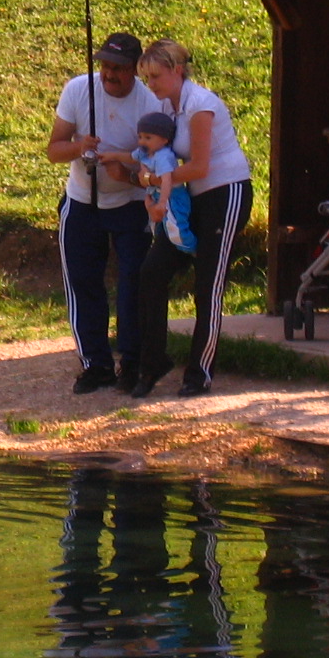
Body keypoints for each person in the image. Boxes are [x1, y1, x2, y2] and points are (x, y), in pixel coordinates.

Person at [120, 38, 253, 399]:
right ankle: (153, 362)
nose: (152, 85)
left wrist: (150, 181)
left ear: (178, 71)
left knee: (207, 284)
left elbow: (198, 166)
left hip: (224, 193)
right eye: (147, 78)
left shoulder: (200, 106)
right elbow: (157, 154)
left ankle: (200, 372)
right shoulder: (167, 105)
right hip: (186, 199)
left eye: (157, 76)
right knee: (151, 273)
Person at [46, 32, 169, 394]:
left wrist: (127, 174)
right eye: (105, 66)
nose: (109, 75)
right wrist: (78, 147)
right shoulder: (77, 90)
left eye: (118, 68)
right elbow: (54, 149)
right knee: (83, 283)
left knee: (133, 284)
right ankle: (95, 364)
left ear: (134, 70)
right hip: (82, 202)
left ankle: (131, 361)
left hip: (131, 205)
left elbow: (159, 163)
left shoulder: (150, 104)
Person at [132, 111, 195, 255]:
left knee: (177, 228)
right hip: (156, 195)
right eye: (140, 137)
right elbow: (131, 157)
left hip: (171, 197)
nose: (142, 141)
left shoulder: (163, 157)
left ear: (164, 140)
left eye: (148, 137)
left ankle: (194, 252)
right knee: (160, 228)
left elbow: (167, 180)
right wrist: (110, 156)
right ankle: (177, 252)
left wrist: (162, 202)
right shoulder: (146, 152)